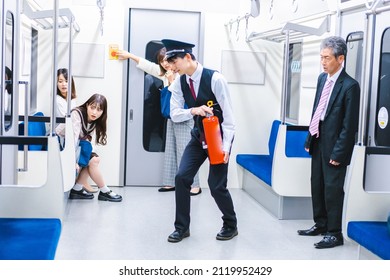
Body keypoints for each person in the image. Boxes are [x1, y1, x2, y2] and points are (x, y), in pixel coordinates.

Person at [161, 39, 237, 242]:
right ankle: (182, 228)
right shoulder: (179, 82)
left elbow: (229, 118)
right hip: (199, 135)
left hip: (218, 137)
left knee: (216, 185)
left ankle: (230, 224)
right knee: (182, 177)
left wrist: (226, 147)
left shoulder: (215, 79)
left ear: (187, 57)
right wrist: (193, 110)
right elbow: (174, 113)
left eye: (174, 60)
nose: (171, 66)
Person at [298, 36, 360, 249]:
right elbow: (318, 109)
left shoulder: (350, 86)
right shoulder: (322, 79)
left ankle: (334, 233)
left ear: (340, 58)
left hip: (335, 143)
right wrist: (310, 137)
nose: (322, 62)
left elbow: (349, 125)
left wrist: (339, 153)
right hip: (318, 138)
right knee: (317, 184)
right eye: (321, 57)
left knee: (333, 188)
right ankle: (321, 224)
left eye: (327, 58)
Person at [117, 47, 201, 195]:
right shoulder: (164, 73)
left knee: (186, 152)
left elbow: (180, 95)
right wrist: (129, 55)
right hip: (171, 117)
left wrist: (171, 82)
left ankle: (194, 185)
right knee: (170, 150)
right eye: (162, 62)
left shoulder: (183, 74)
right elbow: (148, 65)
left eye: (167, 61)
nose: (165, 64)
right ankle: (170, 182)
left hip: (185, 117)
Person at [56, 93, 122, 202]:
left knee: (94, 159)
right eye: (92, 107)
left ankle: (77, 189)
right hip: (59, 145)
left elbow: (84, 140)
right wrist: (73, 161)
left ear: (103, 112)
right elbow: (73, 137)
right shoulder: (76, 114)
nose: (94, 112)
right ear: (87, 106)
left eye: (99, 110)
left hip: (74, 145)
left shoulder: (93, 120)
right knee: (91, 159)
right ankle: (104, 191)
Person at [55, 68, 97, 194]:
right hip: (62, 135)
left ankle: (80, 181)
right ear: (56, 84)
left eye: (66, 81)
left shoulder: (72, 99)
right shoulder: (58, 100)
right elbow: (69, 121)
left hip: (71, 133)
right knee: (89, 150)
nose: (63, 84)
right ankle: (79, 181)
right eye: (60, 81)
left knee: (91, 148)